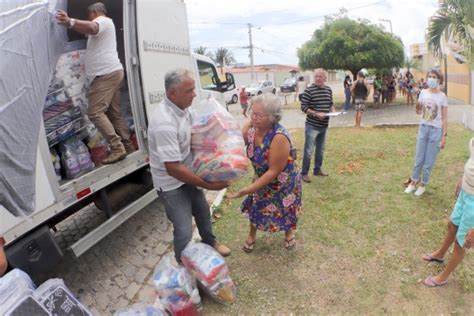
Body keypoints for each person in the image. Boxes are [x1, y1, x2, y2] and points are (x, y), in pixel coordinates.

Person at [148, 69, 231, 263]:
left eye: (193, 89)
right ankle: (184, 267)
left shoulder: (183, 110)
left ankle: (210, 243)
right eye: (189, 90)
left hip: (188, 174)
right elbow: (173, 168)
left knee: (202, 212)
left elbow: (199, 134)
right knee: (184, 229)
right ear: (172, 94)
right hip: (171, 184)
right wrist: (209, 185)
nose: (194, 94)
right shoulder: (164, 121)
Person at [56, 3, 134, 164]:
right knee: (114, 113)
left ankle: (117, 147)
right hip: (112, 72)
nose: (88, 18)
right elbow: (88, 30)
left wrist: (69, 21)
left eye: (88, 15)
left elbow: (92, 27)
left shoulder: (103, 21)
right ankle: (127, 146)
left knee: (95, 113)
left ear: (94, 12)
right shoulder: (103, 27)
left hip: (105, 75)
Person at [227, 93, 301, 251]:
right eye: (251, 112)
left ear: (272, 117)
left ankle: (288, 233)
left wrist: (248, 189)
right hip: (261, 176)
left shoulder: (278, 137)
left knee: (285, 207)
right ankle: (252, 235)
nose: (252, 117)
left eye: (257, 114)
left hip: (282, 182)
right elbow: (237, 143)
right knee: (256, 207)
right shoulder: (252, 129)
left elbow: (274, 171)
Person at [422, 138, 474, 287]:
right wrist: (462, 180)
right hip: (466, 191)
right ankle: (440, 254)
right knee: (452, 225)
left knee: (461, 243)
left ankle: (443, 277)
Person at [405, 69, 448, 196]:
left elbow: (445, 117)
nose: (431, 79)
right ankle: (413, 183)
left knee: (429, 161)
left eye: (434, 77)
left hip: (436, 131)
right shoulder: (423, 93)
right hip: (423, 128)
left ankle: (423, 184)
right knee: (419, 158)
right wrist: (417, 108)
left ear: (438, 79)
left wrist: (444, 136)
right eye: (429, 76)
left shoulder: (442, 96)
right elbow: (419, 112)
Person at [300, 68, 335, 183]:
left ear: (325, 78)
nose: (318, 78)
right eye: (316, 76)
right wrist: (316, 113)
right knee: (309, 150)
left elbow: (330, 103)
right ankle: (304, 173)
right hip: (312, 125)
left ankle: (317, 169)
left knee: (320, 150)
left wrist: (333, 110)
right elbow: (304, 107)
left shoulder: (328, 90)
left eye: (320, 76)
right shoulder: (309, 91)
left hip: (324, 125)